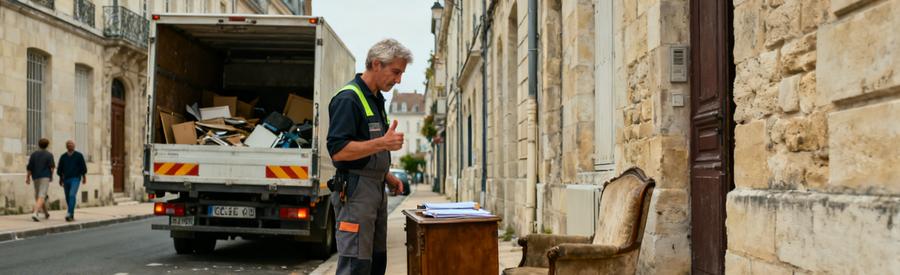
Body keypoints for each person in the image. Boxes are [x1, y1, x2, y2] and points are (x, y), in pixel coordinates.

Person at [327, 38, 411, 275]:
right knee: (356, 264)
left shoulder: (375, 99)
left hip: (375, 189)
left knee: (376, 262)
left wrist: (386, 176)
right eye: (395, 72)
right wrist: (382, 143)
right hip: (355, 192)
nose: (398, 80)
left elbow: (366, 147)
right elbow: (338, 151)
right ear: (376, 64)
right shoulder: (348, 99)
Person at [57, 140, 87, 222]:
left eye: (72, 144)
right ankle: (71, 215)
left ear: (74, 146)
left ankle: (69, 212)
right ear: (66, 146)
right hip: (66, 179)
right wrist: (60, 179)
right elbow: (60, 168)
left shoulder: (79, 155)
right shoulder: (63, 156)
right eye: (68, 144)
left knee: (71, 195)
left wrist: (84, 177)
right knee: (67, 197)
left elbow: (83, 167)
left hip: (75, 178)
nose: (70, 145)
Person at [26, 138, 54, 222]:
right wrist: (51, 176)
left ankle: (45, 213)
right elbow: (52, 168)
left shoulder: (33, 154)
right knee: (42, 195)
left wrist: (27, 177)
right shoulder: (49, 155)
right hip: (45, 176)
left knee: (39, 195)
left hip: (35, 177)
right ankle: (35, 212)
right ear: (47, 145)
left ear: (39, 144)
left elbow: (30, 167)